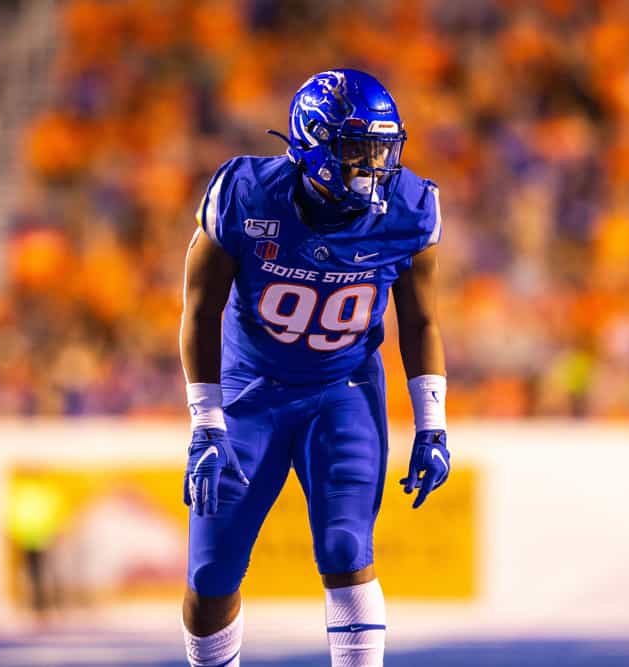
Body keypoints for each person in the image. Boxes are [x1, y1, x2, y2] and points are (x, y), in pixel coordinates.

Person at [180, 69, 450, 667]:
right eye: (358, 148)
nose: (376, 164)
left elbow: (422, 321)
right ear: (314, 144)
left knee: (346, 545)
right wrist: (206, 420)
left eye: (383, 147)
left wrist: (432, 422)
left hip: (342, 389)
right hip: (251, 388)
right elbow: (199, 310)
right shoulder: (247, 196)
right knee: (211, 570)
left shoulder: (408, 207)